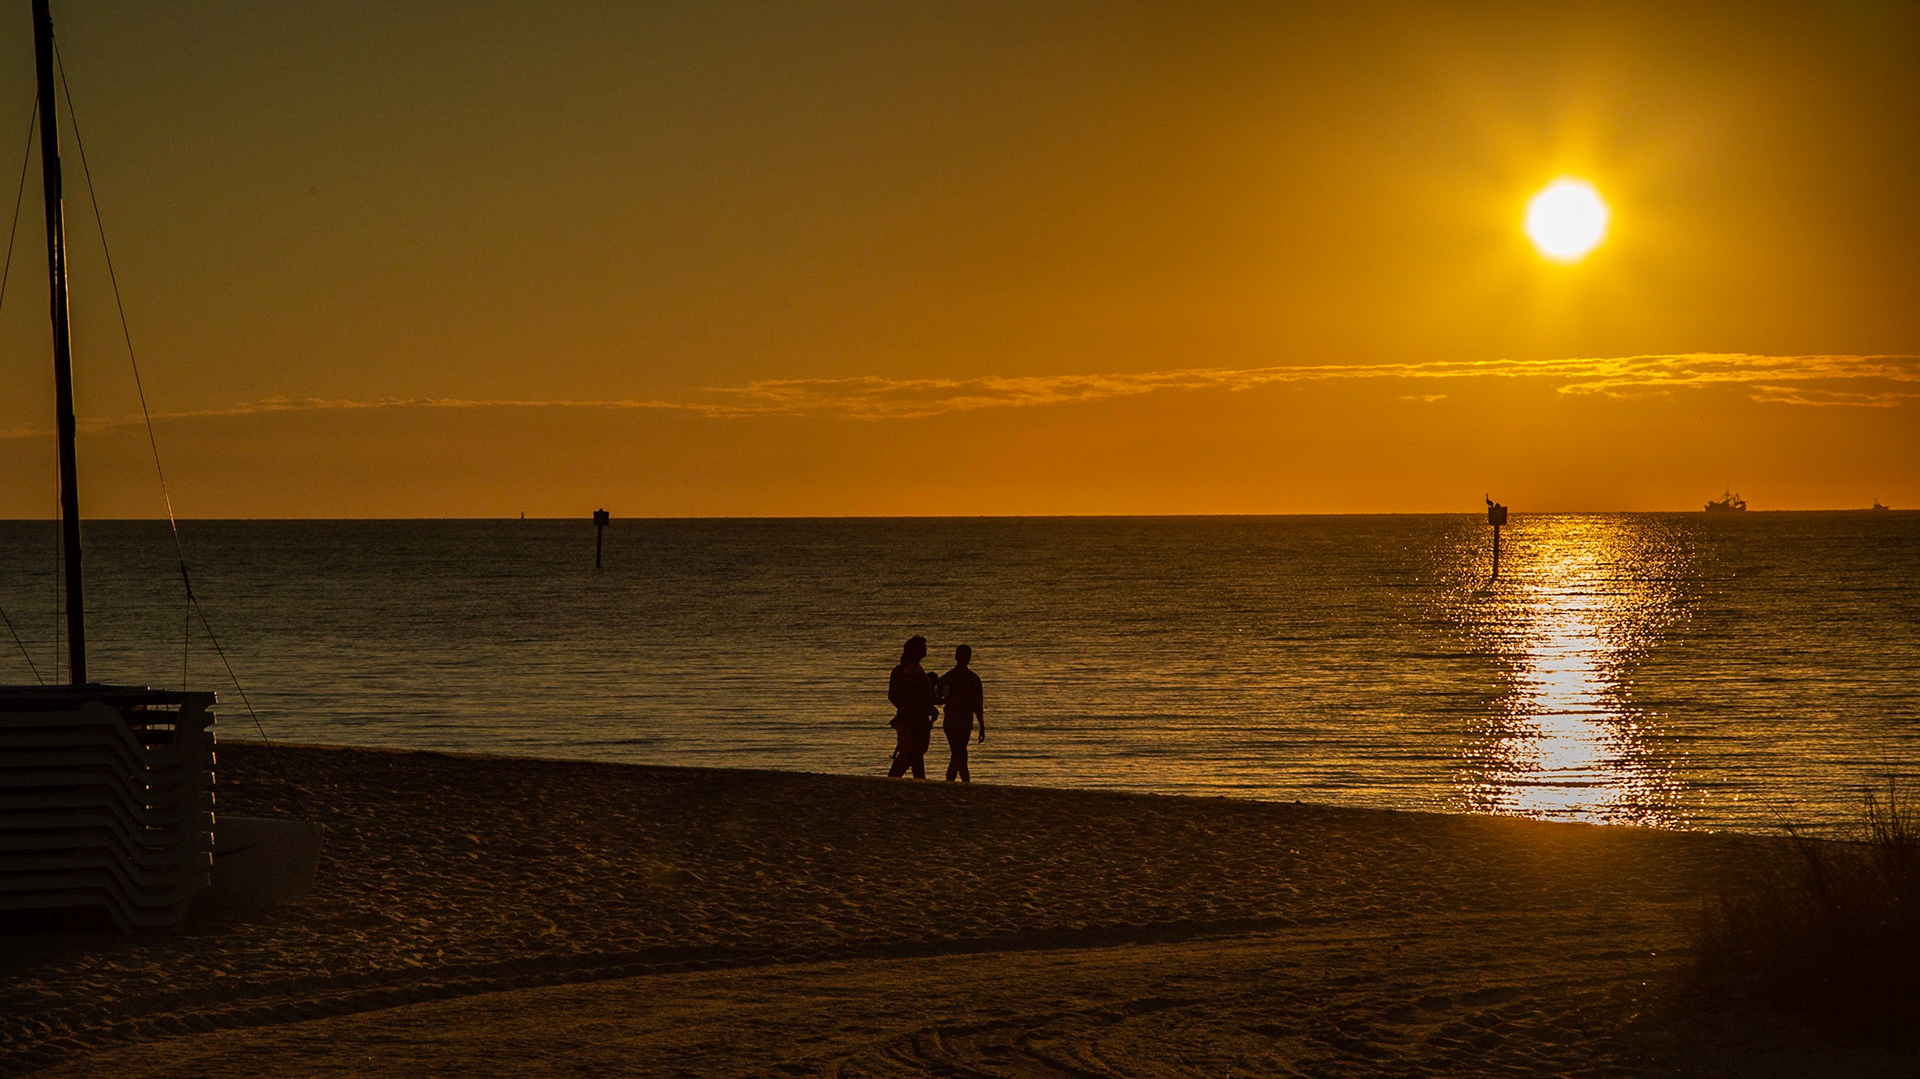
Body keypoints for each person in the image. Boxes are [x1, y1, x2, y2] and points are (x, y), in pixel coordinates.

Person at [887, 636, 938, 779]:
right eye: (922, 647)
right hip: (913, 717)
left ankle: (917, 778)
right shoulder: (909, 670)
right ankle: (898, 778)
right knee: (912, 751)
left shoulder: (914, 669)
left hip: (914, 716)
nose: (925, 650)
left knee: (914, 751)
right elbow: (907, 693)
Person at [938, 644, 985, 783]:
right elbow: (937, 697)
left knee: (958, 752)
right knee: (959, 752)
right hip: (952, 721)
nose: (965, 659)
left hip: (965, 721)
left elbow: (978, 704)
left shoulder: (973, 679)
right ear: (956, 657)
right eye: (963, 655)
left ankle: (954, 781)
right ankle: (964, 781)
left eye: (967, 656)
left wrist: (982, 725)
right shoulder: (949, 677)